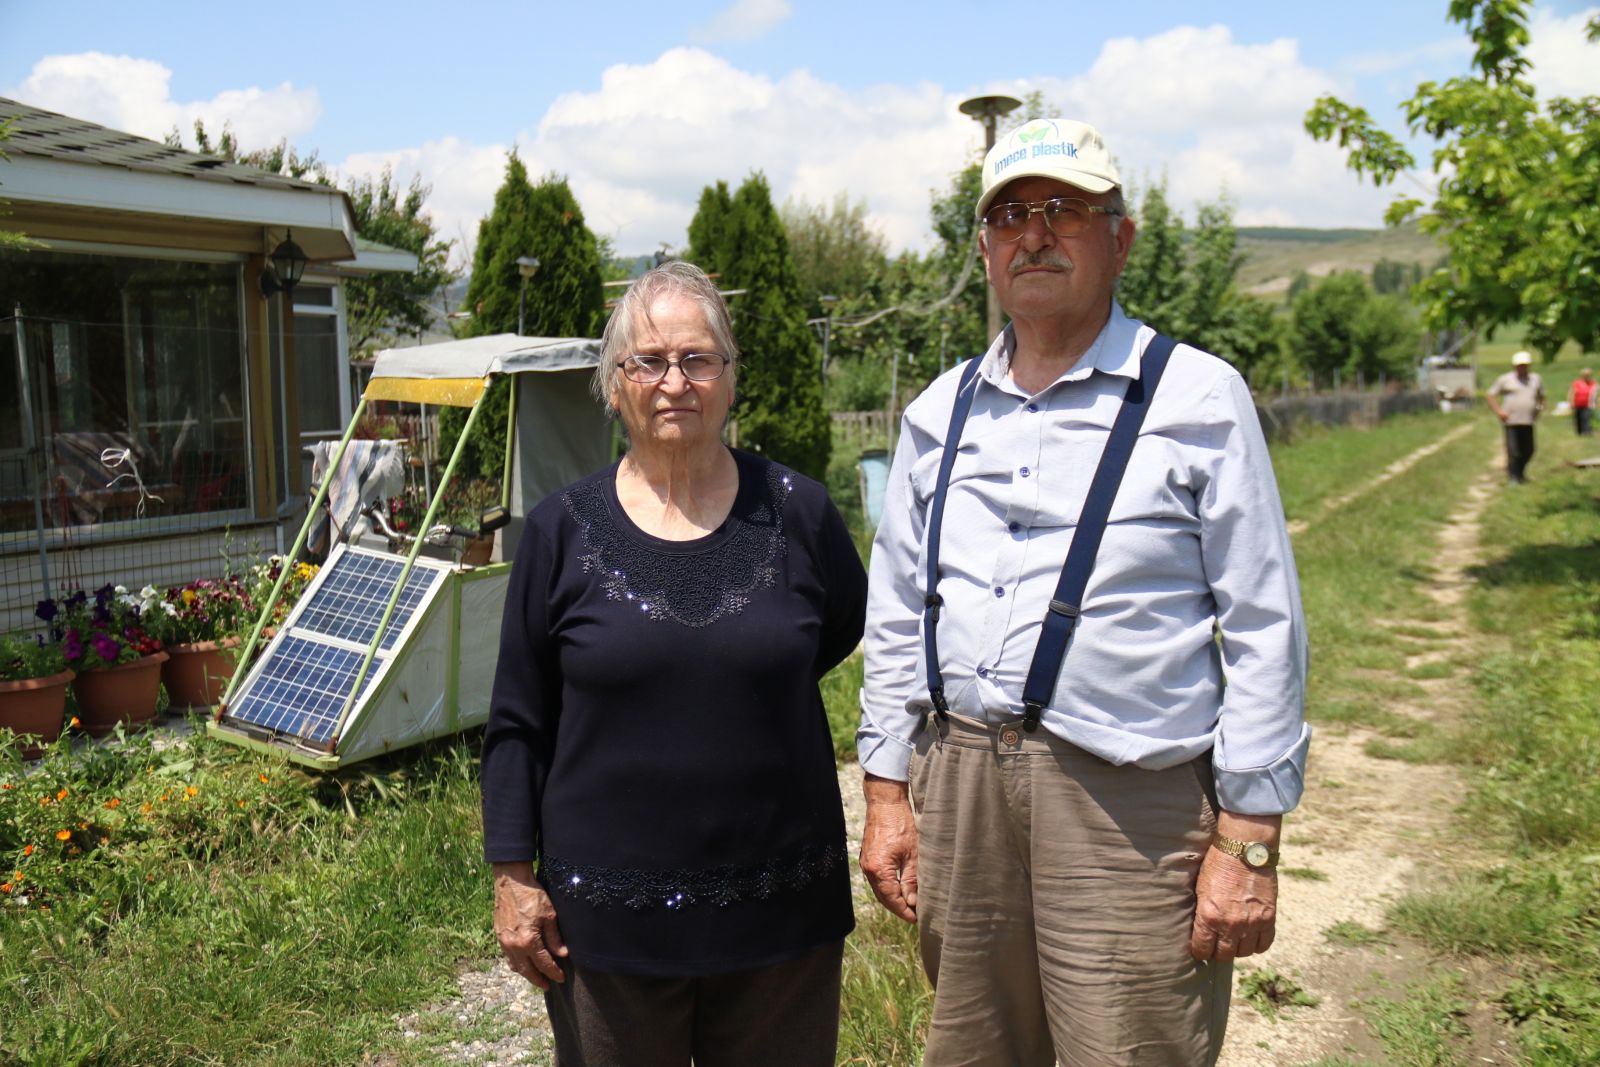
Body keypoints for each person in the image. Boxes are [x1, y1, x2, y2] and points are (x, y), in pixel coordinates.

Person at [856, 118, 1309, 1067]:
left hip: (1128, 803)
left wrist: (1250, 837)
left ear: (1120, 237)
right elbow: (897, 615)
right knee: (974, 1051)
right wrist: (889, 793)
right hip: (962, 790)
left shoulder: (1196, 397)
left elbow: (1263, 625)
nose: (1036, 233)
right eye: (1012, 214)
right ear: (984, 248)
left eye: (1065, 210)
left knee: (1129, 1047)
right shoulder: (937, 415)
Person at [481, 261, 866, 1067]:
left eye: (698, 359)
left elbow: (838, 629)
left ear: (730, 379)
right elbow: (519, 716)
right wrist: (514, 875)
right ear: (614, 384)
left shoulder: (800, 512)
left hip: (782, 919)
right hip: (607, 931)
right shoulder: (560, 529)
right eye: (648, 360)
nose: (674, 382)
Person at [1486, 351, 1546, 482]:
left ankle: (1520, 473)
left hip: (1528, 420)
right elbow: (1491, 395)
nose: (1522, 367)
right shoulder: (1506, 379)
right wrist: (1499, 411)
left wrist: (1538, 410)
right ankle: (1513, 477)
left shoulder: (1535, 379)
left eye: (1525, 365)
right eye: (1520, 365)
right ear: (1514, 366)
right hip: (1511, 421)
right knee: (1514, 451)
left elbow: (1542, 397)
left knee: (1529, 450)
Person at [1569, 367, 1596, 437]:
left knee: (1586, 418)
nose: (1587, 376)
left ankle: (1586, 432)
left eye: (1588, 375)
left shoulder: (1593, 383)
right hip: (1577, 403)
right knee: (1578, 418)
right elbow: (1572, 392)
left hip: (1588, 404)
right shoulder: (1577, 383)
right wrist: (1571, 402)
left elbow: (1596, 393)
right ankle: (1579, 432)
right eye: (1585, 375)